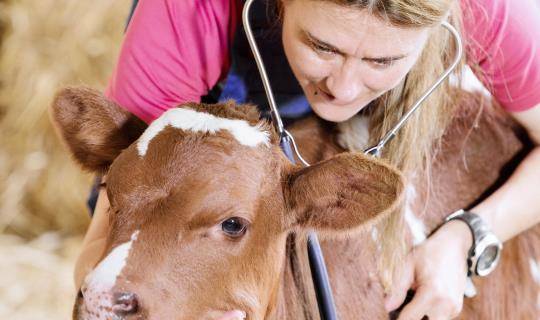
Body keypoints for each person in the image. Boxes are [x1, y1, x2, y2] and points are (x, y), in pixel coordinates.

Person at [76, 0, 540, 319]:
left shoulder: (490, 12)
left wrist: (469, 235)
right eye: (322, 46)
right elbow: (104, 264)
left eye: (382, 61)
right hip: (222, 102)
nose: (343, 87)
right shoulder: (189, 14)